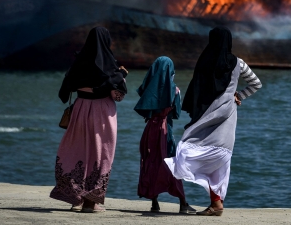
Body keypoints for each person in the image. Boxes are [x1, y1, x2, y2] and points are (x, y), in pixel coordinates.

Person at [165, 26, 262, 216]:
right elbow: (256, 84)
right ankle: (217, 203)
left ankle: (216, 204)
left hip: (205, 115)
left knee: (189, 147)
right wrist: (239, 95)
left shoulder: (205, 60)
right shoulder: (238, 63)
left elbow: (197, 90)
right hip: (227, 116)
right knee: (221, 158)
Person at [50, 26, 128, 213]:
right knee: (101, 154)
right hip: (102, 113)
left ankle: (75, 196)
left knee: (79, 152)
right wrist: (122, 76)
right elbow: (117, 95)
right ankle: (90, 202)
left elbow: (66, 88)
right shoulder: (110, 66)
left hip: (80, 109)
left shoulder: (79, 62)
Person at [134, 56, 196, 214]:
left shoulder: (148, 88)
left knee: (151, 162)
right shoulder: (174, 90)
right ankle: (183, 203)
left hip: (149, 131)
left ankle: (154, 203)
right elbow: (176, 113)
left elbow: (145, 108)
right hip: (164, 130)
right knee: (172, 164)